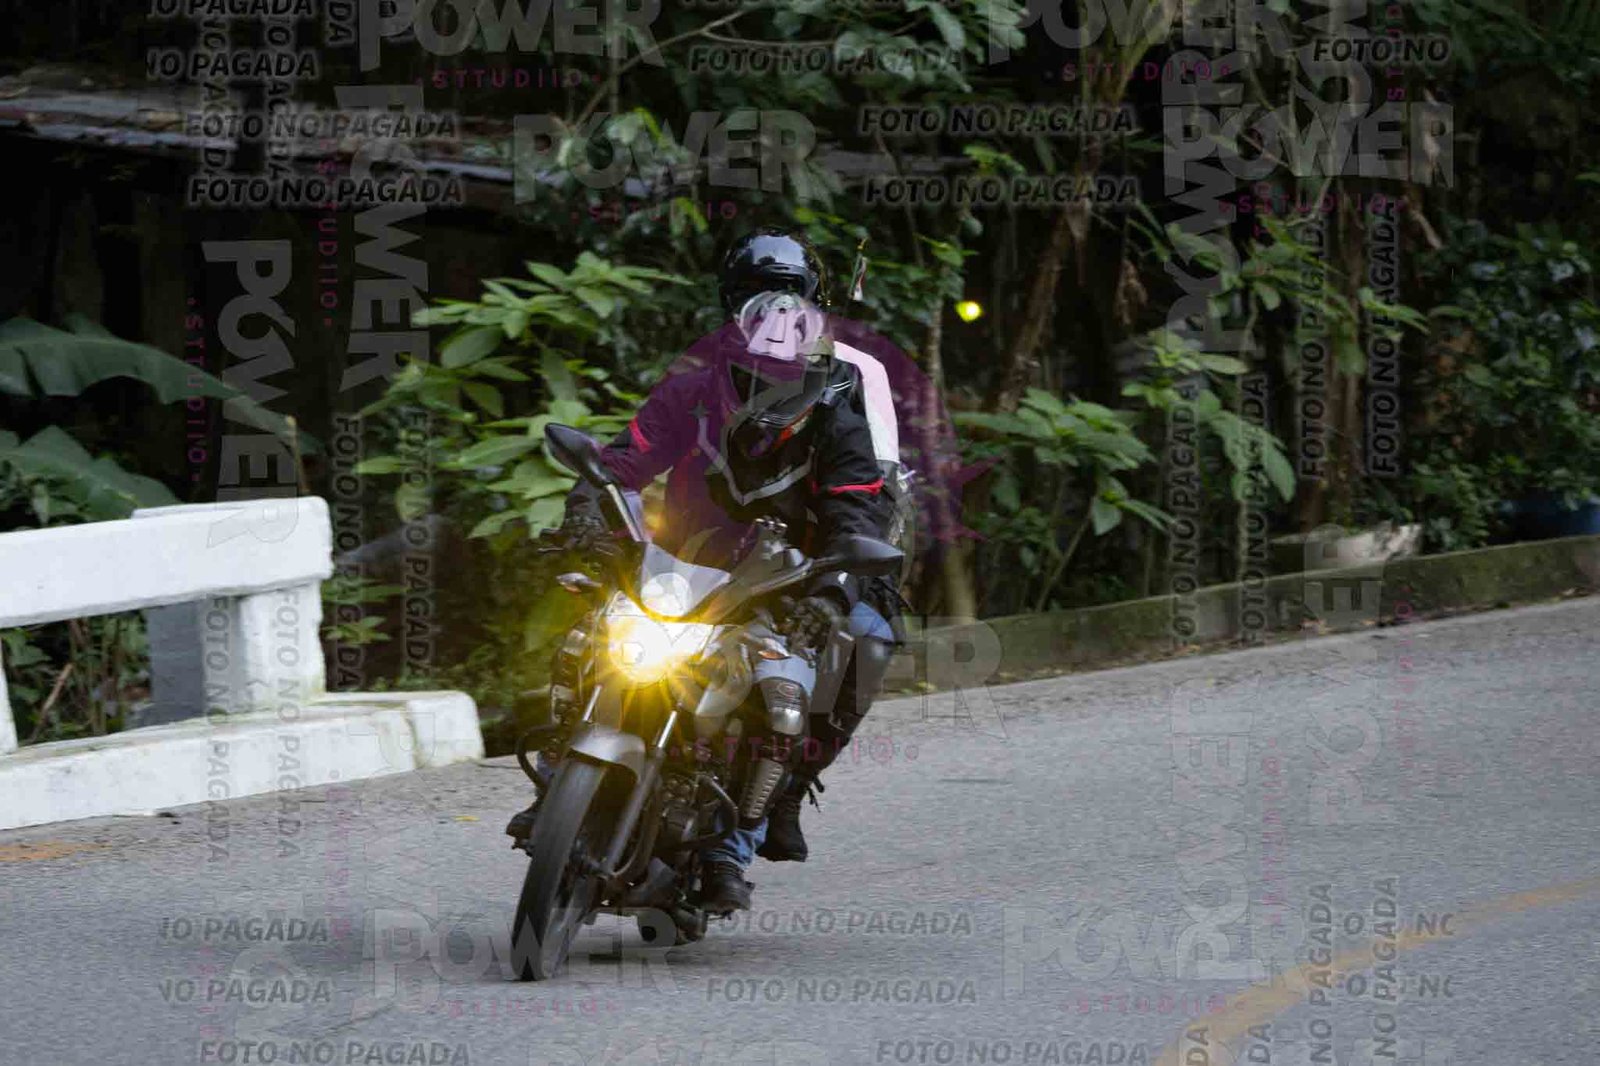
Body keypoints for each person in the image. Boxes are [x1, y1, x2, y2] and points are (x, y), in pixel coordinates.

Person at [519, 229, 905, 913]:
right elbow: (620, 462)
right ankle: (558, 771)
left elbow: (858, 505)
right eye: (757, 295)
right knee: (587, 632)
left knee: (828, 666)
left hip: (787, 575)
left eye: (788, 297)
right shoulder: (692, 387)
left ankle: (751, 825)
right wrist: (586, 516)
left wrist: (830, 589)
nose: (773, 313)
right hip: (682, 564)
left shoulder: (841, 401)